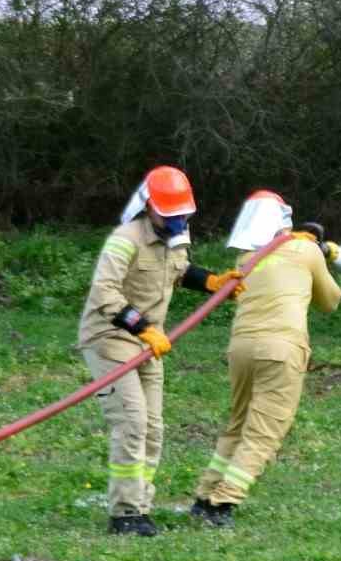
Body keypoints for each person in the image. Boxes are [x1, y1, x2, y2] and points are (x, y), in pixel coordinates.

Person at [77, 166, 243, 536]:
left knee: (153, 429)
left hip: (149, 343)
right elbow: (104, 292)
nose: (178, 222)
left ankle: (140, 507)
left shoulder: (177, 235)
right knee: (132, 423)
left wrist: (213, 282)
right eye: (171, 216)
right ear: (151, 207)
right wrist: (143, 328)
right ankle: (124, 515)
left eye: (183, 215)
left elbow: (180, 271)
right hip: (110, 340)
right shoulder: (125, 239)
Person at [190, 190, 341, 529]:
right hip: (281, 349)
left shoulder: (246, 258)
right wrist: (321, 255)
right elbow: (331, 302)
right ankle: (222, 503)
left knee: (238, 424)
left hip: (241, 348)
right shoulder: (305, 251)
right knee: (264, 432)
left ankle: (204, 495)